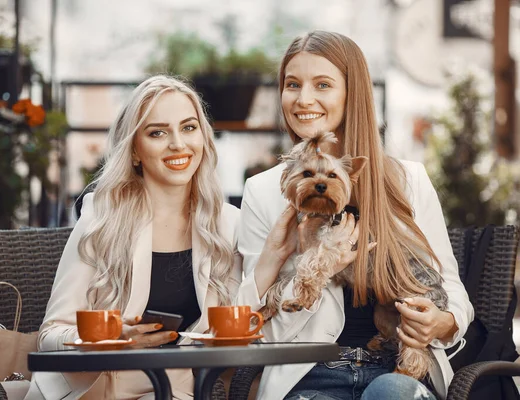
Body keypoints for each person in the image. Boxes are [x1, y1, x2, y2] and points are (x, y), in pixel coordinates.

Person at [235, 31, 473, 400]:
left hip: (396, 369)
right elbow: (256, 331)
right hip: (310, 374)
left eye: (323, 84)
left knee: (393, 391)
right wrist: (314, 269)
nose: (304, 99)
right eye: (292, 84)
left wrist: (439, 323)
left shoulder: (409, 180)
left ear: (352, 92)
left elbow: (451, 292)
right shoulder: (264, 192)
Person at [24, 75, 242, 400]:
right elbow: (50, 336)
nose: (178, 144)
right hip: (98, 390)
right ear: (135, 150)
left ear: (204, 138)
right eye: (157, 132)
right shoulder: (103, 216)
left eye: (189, 127)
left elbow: (246, 321)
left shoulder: (227, 224)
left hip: (177, 392)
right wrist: (111, 337)